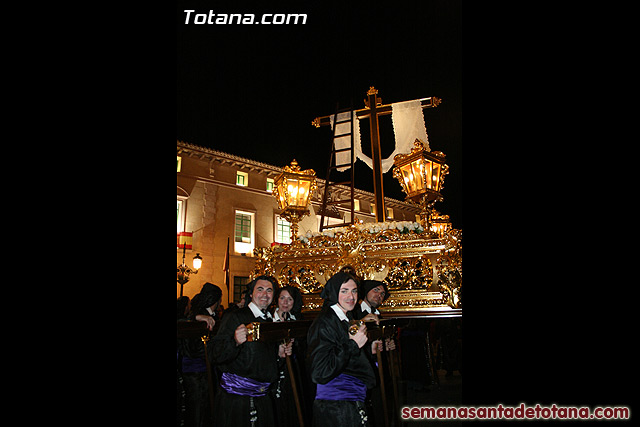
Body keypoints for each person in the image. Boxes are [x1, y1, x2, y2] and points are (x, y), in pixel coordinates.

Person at [211, 275, 293, 427]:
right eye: (260, 289)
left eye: (269, 291)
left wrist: (280, 355)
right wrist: (234, 341)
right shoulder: (235, 317)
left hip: (263, 399)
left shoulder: (269, 322)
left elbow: (265, 362)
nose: (265, 294)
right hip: (237, 400)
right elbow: (215, 353)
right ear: (251, 294)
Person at [307, 271, 382, 427]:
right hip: (336, 406)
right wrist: (353, 345)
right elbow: (319, 372)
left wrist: (369, 351)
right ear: (334, 292)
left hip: (348, 401)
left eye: (354, 291)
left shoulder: (344, 318)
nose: (351, 297)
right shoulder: (325, 322)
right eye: (344, 291)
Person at [179, 283, 222, 427]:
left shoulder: (209, 314)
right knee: (198, 409)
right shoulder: (198, 314)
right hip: (197, 372)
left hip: (203, 370)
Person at [271, 285, 305, 426]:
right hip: (273, 370)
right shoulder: (268, 319)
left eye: (289, 299)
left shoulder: (297, 320)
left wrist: (295, 346)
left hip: (292, 370)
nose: (285, 303)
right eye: (282, 298)